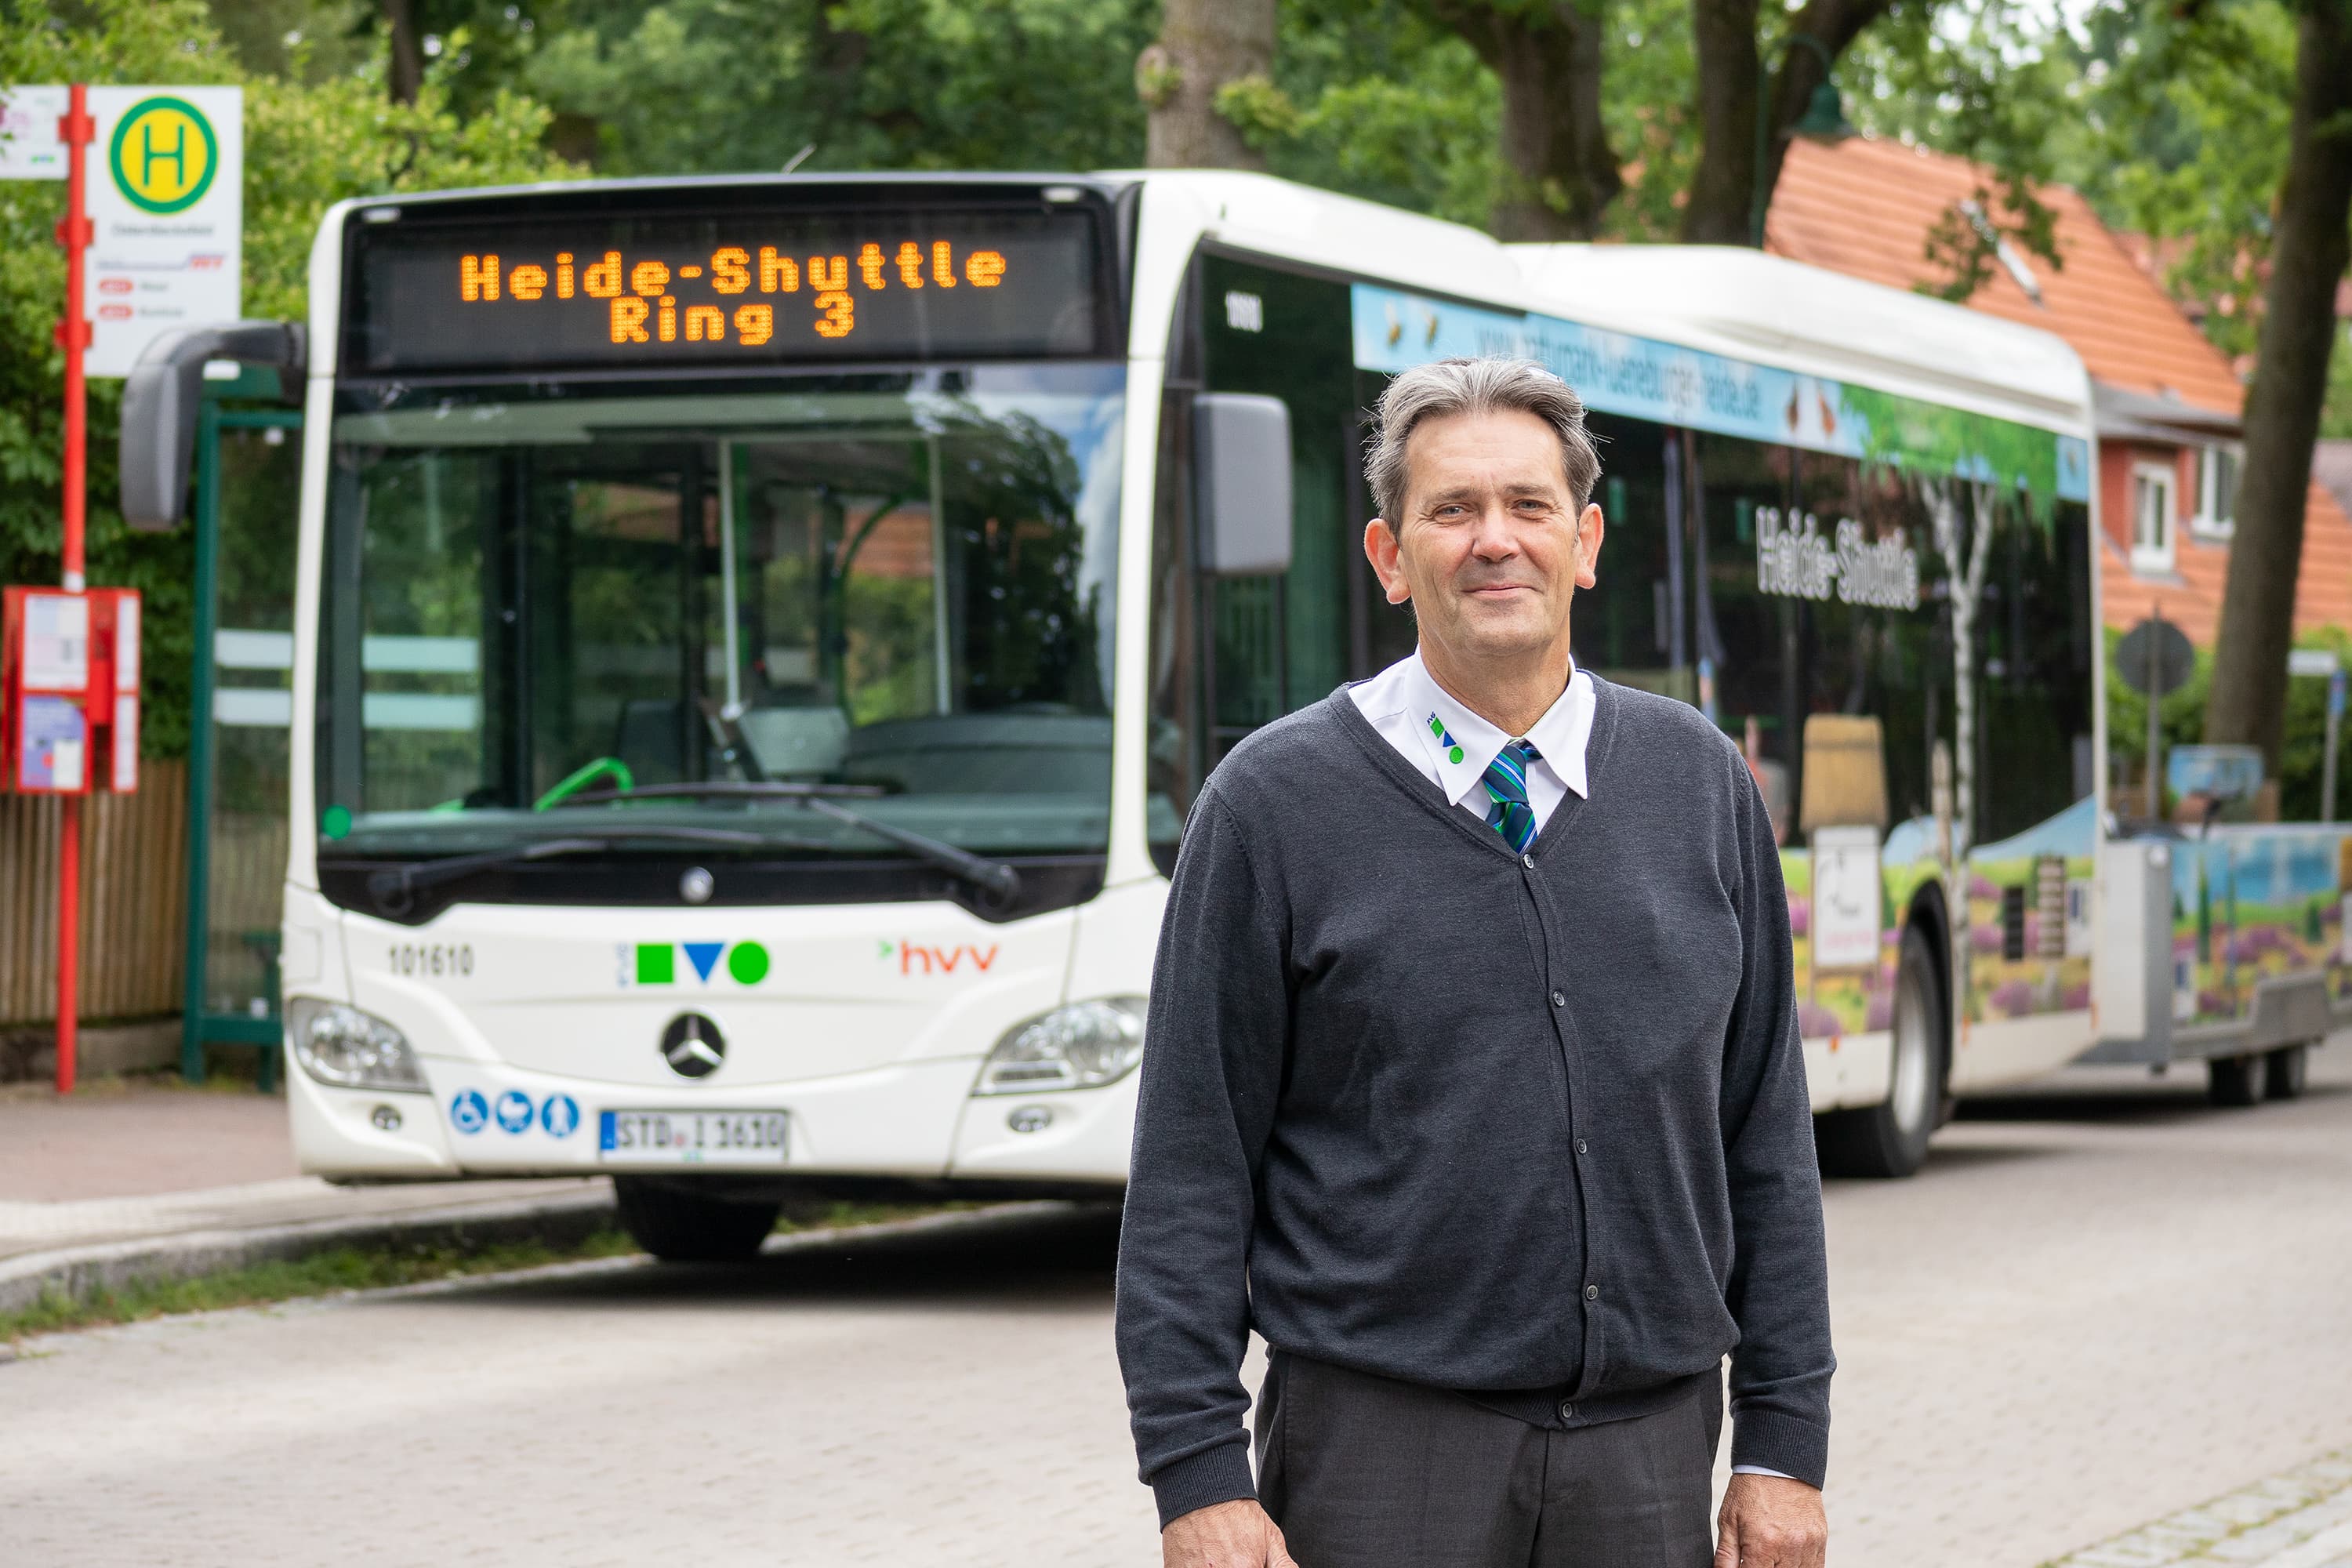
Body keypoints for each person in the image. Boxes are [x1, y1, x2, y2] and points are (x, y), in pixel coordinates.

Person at [1114, 356, 1833, 1568]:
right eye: (1452, 511)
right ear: (1391, 558)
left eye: (1529, 506)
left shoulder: (1700, 785)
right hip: (1380, 1460)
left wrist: (1782, 1444)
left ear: (1586, 541)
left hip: (1650, 1460)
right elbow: (1191, 1162)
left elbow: (1767, 1135)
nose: (1495, 541)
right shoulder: (1272, 805)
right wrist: (1197, 1476)